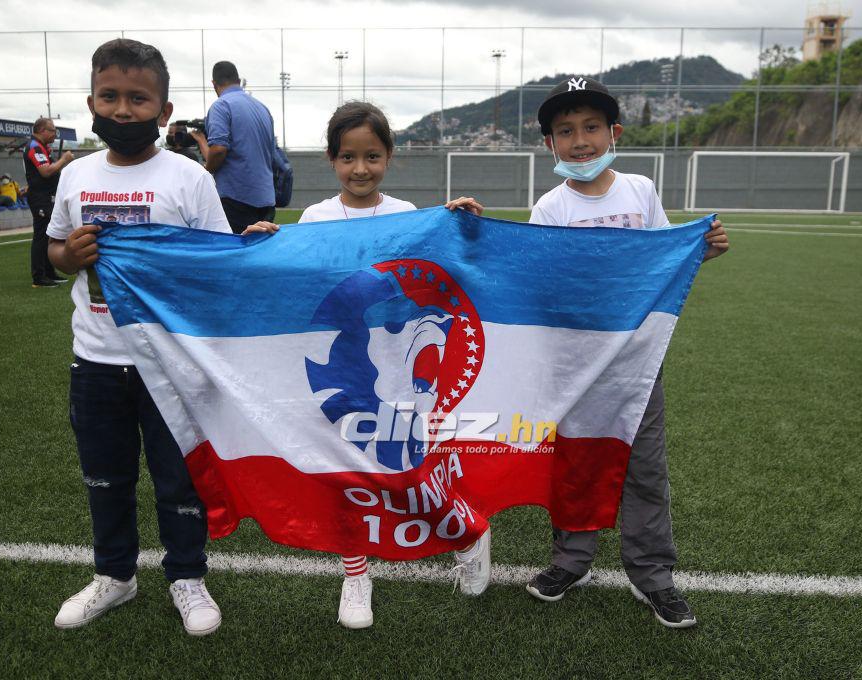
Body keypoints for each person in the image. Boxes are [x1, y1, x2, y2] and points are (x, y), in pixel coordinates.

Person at [45, 38, 277, 637]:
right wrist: (69, 253)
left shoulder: (190, 178)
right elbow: (54, 250)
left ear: (165, 110)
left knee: (179, 478)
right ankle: (115, 576)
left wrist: (252, 244)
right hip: (97, 359)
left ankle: (187, 577)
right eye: (110, 96)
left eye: (138, 98)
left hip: (171, 362)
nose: (123, 110)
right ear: (91, 101)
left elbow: (217, 261)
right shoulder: (74, 176)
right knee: (105, 475)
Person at [266, 101, 488, 630]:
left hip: (400, 366)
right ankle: (355, 573)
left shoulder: (406, 214)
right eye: (347, 157)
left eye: (371, 156)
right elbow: (294, 277)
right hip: (344, 366)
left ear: (389, 156)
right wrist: (265, 246)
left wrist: (459, 225)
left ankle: (468, 535)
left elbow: (437, 269)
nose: (359, 169)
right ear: (331, 159)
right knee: (343, 467)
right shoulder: (315, 219)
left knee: (410, 464)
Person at [524, 76, 729, 629]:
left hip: (638, 367)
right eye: (565, 131)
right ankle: (571, 560)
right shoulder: (549, 206)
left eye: (591, 126)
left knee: (644, 472)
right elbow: (540, 281)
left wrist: (697, 252)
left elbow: (662, 261)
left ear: (614, 132)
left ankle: (653, 575)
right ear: (551, 145)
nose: (580, 140)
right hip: (575, 368)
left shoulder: (640, 189)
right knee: (576, 464)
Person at [193, 61, 277, 233]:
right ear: (238, 80)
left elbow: (218, 149)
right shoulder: (262, 108)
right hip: (266, 199)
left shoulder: (221, 105)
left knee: (234, 254)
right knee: (259, 256)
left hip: (236, 199)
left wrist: (206, 172)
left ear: (214, 84)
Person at [25, 117, 74, 288]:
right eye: (52, 130)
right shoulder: (34, 147)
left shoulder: (43, 147)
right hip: (40, 198)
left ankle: (49, 272)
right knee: (41, 236)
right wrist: (64, 160)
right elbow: (45, 172)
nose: (55, 133)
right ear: (41, 131)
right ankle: (39, 276)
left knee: (49, 235)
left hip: (47, 197)